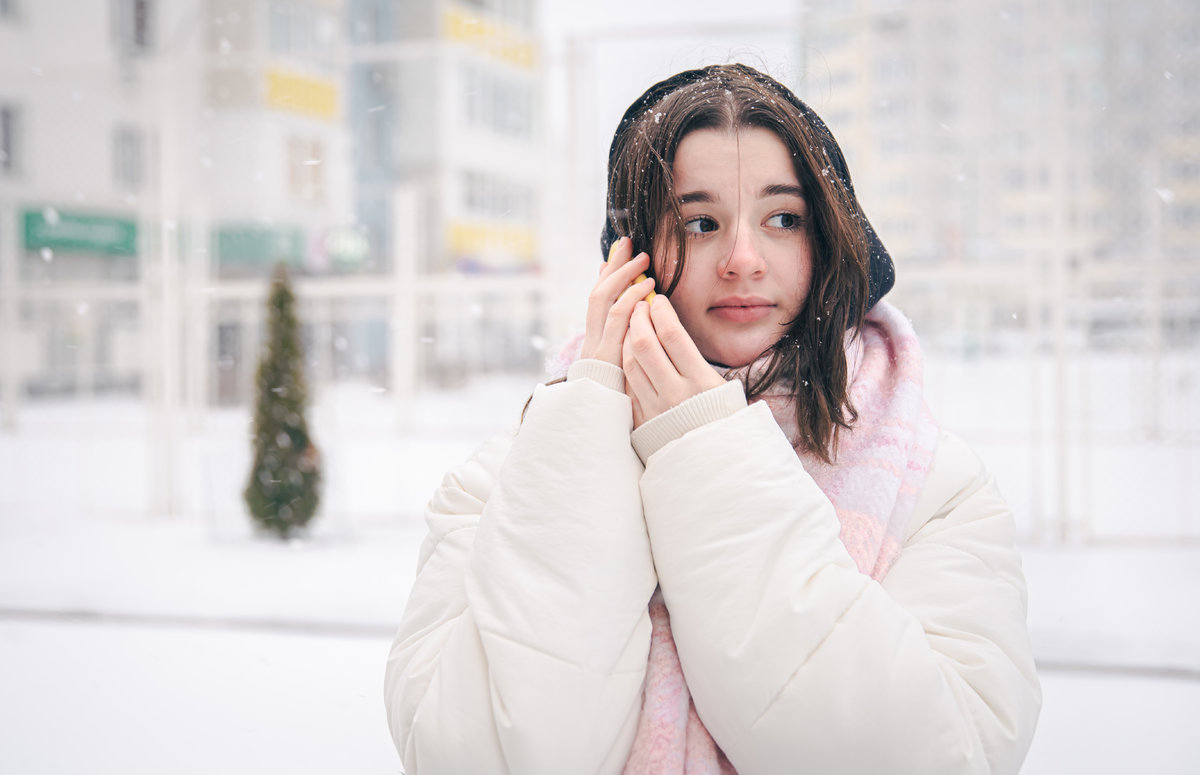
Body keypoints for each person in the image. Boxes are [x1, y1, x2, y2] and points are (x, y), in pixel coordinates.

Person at [384, 63, 1041, 774]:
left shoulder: (936, 488)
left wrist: (704, 448)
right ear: (627, 261)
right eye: (699, 223)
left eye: (783, 218)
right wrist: (589, 419)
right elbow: (481, 755)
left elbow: (936, 753)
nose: (743, 259)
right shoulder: (510, 477)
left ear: (828, 244)